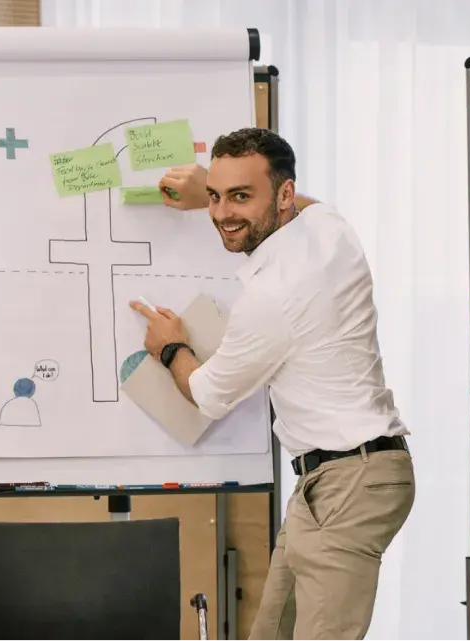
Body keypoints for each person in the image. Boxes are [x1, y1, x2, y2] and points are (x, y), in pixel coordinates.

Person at [130, 127, 415, 641]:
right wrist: (208, 195)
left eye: (241, 196)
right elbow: (314, 204)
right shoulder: (328, 227)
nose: (221, 214)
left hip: (351, 483)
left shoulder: (273, 296)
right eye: (215, 197)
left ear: (283, 195)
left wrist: (171, 347)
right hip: (331, 480)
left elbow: (207, 394)